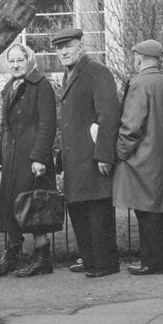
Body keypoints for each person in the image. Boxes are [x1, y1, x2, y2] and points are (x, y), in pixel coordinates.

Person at [53, 27, 121, 278]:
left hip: (92, 157)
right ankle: (91, 259)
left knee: (97, 210)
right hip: (75, 159)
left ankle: (105, 263)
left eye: (68, 46)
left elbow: (109, 114)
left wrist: (104, 154)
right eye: (59, 48)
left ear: (81, 46)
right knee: (80, 210)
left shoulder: (96, 72)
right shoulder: (69, 74)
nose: (64, 51)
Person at [0, 43, 58, 278]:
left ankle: (41, 259)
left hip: (32, 159)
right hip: (11, 158)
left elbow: (47, 125)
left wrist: (39, 158)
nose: (16, 64)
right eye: (12, 60)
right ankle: (12, 255)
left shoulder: (42, 85)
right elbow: (4, 127)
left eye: (20, 60)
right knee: (10, 208)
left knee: (34, 207)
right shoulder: (9, 87)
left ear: (30, 60)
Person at [113, 40, 163, 275]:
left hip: (141, 157)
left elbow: (131, 125)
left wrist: (121, 152)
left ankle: (151, 262)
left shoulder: (139, 83)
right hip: (162, 156)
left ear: (139, 58)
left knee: (146, 211)